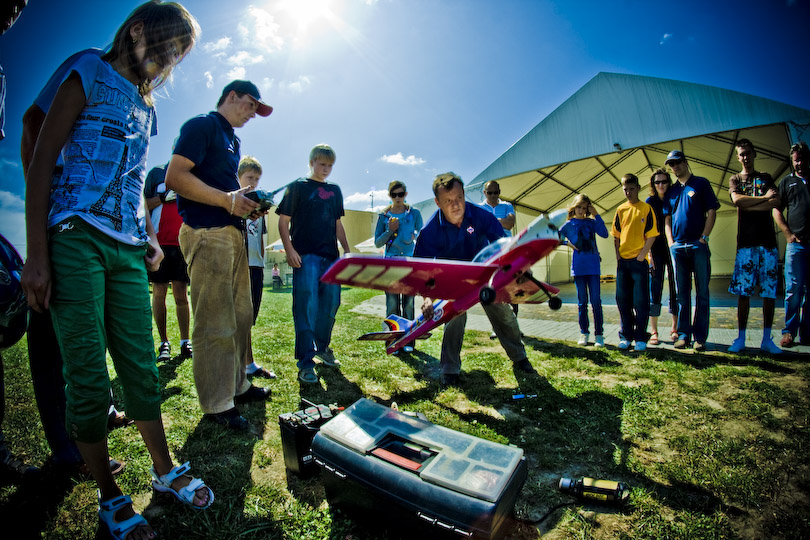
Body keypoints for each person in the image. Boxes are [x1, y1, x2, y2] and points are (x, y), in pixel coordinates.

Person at [20, 3, 213, 538]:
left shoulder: (148, 109)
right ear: (137, 30)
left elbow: (132, 187)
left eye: (182, 52)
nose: (172, 58)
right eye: (170, 43)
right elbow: (42, 160)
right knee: (87, 377)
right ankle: (108, 495)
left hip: (128, 249)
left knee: (141, 368)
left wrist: (149, 239)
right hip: (72, 238)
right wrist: (37, 254)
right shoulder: (89, 68)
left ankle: (165, 469)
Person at [166, 80, 273, 430]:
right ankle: (216, 404)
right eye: (251, 105)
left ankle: (237, 385)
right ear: (231, 96)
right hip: (206, 233)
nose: (253, 113)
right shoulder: (203, 125)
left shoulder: (233, 140)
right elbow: (175, 177)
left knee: (241, 316)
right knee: (215, 321)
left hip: (234, 235)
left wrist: (245, 206)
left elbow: (223, 191)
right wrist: (228, 201)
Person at [415, 172, 536, 387]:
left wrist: (517, 271)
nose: (456, 205)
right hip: (453, 280)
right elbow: (421, 270)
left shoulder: (482, 216)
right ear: (437, 202)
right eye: (448, 201)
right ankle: (450, 369)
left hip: (484, 275)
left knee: (504, 313)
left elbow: (504, 247)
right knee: (454, 319)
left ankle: (520, 358)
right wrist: (427, 298)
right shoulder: (430, 230)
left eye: (459, 198)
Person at [277, 144, 351, 384]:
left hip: (331, 258)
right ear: (311, 163)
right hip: (305, 256)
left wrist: (347, 252)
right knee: (306, 306)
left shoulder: (335, 190)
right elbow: (283, 222)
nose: (326, 169)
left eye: (330, 165)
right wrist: (289, 250)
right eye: (321, 164)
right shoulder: (297, 187)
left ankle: (323, 348)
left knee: (331, 304)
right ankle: (306, 362)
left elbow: (338, 224)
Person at [727, 139, 782, 355]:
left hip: (768, 244)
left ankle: (767, 339)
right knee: (744, 292)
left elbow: (776, 202)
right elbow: (737, 201)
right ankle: (741, 338)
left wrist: (753, 204)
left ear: (754, 153)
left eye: (748, 153)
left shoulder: (766, 178)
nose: (745, 157)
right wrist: (762, 200)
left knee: (769, 293)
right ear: (738, 157)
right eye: (741, 154)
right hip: (746, 245)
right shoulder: (735, 179)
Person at [663, 150, 720, 351]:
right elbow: (667, 219)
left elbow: (712, 211)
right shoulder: (671, 191)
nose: (675, 167)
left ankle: (700, 337)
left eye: (677, 163)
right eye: (671, 164)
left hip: (698, 246)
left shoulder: (701, 183)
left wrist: (704, 237)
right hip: (678, 248)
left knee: (702, 292)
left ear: (685, 162)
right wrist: (671, 242)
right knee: (682, 294)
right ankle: (683, 335)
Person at [144, 162, 192, 361]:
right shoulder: (156, 173)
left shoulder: (190, 174)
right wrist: (162, 198)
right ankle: (164, 342)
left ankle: (185, 342)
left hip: (182, 242)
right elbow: (144, 204)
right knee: (159, 291)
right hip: (159, 241)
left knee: (181, 294)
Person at [374, 180, 423, 353]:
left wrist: (414, 236)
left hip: (410, 262)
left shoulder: (414, 213)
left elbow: (422, 237)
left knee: (409, 304)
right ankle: (393, 342)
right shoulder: (383, 216)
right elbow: (378, 243)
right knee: (392, 304)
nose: (397, 198)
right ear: (389, 196)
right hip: (391, 263)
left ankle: (408, 341)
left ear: (406, 194)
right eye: (394, 195)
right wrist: (389, 230)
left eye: (400, 194)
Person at [238, 156, 276, 379]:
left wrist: (261, 259)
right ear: (239, 177)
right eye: (249, 177)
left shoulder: (259, 204)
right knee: (240, 317)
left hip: (255, 265)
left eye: (257, 179)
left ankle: (248, 363)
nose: (253, 182)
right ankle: (242, 363)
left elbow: (261, 237)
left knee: (250, 317)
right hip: (239, 264)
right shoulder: (235, 201)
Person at [611, 174, 658, 352]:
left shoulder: (646, 208)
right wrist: (618, 257)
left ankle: (640, 338)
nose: (628, 192)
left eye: (631, 189)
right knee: (623, 301)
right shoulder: (620, 209)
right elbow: (615, 236)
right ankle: (626, 335)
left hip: (639, 263)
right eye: (625, 189)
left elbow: (652, 235)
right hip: (623, 263)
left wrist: (642, 256)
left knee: (641, 302)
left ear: (638, 188)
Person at [773, 141, 810, 348]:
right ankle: (789, 332)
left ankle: (808, 333)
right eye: (796, 160)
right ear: (792, 161)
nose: (800, 164)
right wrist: (788, 234)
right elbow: (777, 210)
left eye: (803, 159)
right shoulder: (787, 183)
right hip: (797, 245)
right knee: (793, 290)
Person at [560, 194, 608, 348]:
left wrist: (597, 214)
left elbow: (605, 234)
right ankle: (584, 332)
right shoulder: (568, 224)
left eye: (584, 207)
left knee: (596, 302)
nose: (581, 210)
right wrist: (567, 243)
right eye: (579, 207)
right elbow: (554, 236)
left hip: (593, 267)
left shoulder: (591, 222)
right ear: (574, 207)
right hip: (579, 268)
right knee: (582, 303)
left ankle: (599, 334)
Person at [480, 180, 521, 338]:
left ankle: (514, 326)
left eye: (496, 192)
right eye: (489, 192)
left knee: (512, 288)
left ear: (499, 192)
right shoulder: (479, 208)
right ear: (485, 193)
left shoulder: (507, 206)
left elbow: (510, 224)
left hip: (507, 252)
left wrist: (489, 222)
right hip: (489, 255)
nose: (493, 195)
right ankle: (496, 327)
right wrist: (499, 223)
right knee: (494, 290)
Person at [646, 168, 679, 345]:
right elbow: (646, 229)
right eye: (657, 182)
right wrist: (649, 254)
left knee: (675, 288)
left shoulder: (674, 198)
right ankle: (654, 331)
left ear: (669, 182)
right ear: (653, 184)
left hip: (673, 249)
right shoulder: (649, 202)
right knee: (655, 288)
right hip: (656, 250)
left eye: (664, 181)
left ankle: (675, 329)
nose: (661, 185)